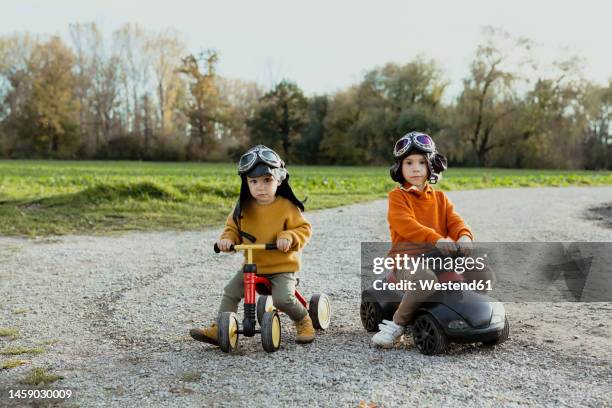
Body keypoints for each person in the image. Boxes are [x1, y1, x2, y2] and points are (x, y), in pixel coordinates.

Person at [371, 131, 490, 347]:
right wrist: (436, 239)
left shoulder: (440, 197)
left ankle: (475, 312)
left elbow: (455, 221)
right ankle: (397, 325)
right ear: (399, 167)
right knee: (424, 280)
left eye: (422, 162)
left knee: (482, 271)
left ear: (431, 167)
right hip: (409, 260)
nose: (415, 168)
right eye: (409, 163)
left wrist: (464, 236)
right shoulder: (397, 197)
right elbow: (406, 225)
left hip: (440, 256)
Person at [190, 145, 315, 345]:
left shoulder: (286, 206)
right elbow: (232, 228)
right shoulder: (242, 207)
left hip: (281, 268)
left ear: (279, 179)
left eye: (267, 180)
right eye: (253, 181)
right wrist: (227, 240)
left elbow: (304, 229)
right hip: (252, 266)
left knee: (283, 298)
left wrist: (289, 236)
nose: (260, 187)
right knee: (231, 290)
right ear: (246, 182)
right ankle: (219, 328)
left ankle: (303, 319)